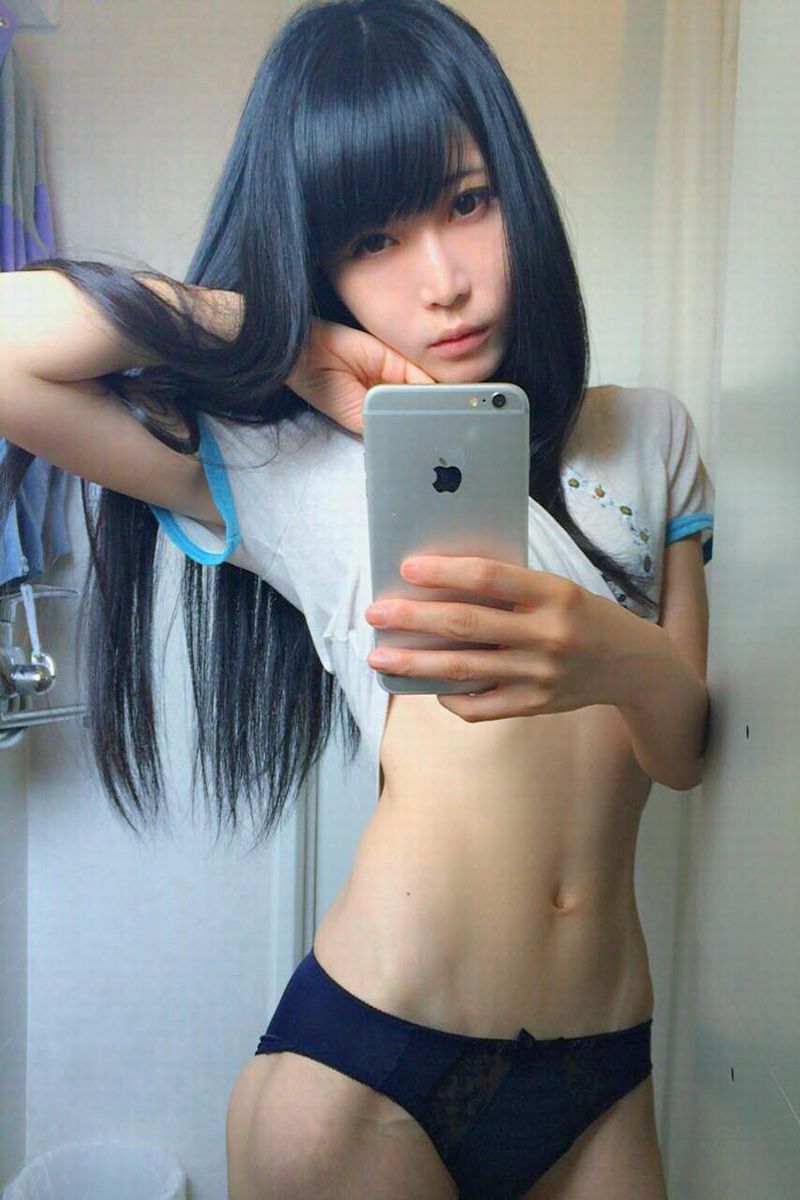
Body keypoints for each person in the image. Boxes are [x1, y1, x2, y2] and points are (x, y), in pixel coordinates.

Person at [0, 1, 715, 1196]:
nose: (442, 283)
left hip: (604, 1073)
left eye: (467, 203)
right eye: (370, 238)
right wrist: (278, 337)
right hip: (369, 1072)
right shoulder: (288, 458)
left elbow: (683, 751)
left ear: (518, 194)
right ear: (316, 262)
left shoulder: (650, 437)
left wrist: (614, 657)